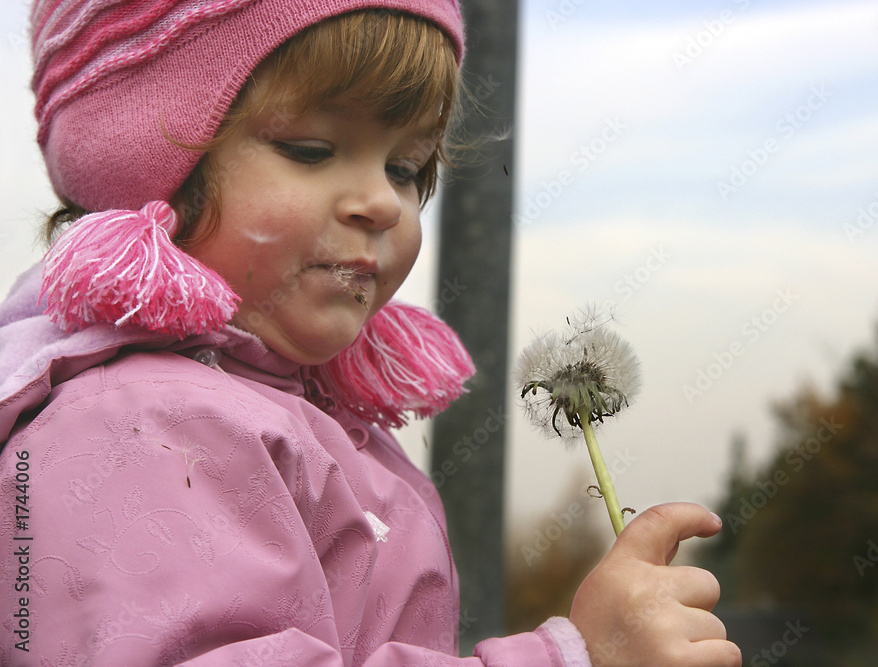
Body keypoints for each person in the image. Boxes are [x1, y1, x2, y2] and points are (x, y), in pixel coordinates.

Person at [0, 1, 742, 665]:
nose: (382, 203)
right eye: (311, 150)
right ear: (141, 170)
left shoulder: (308, 419)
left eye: (406, 167)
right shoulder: (133, 429)